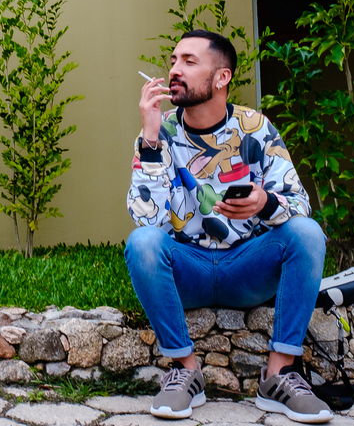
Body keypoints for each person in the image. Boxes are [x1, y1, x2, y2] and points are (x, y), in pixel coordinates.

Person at [125, 29, 332, 423]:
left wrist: (264, 203)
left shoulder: (255, 128)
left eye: (189, 61)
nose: (174, 70)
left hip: (248, 267)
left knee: (306, 233)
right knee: (143, 243)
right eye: (172, 61)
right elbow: (146, 220)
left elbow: (299, 205)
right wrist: (150, 135)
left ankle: (279, 374)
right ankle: (185, 370)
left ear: (221, 78)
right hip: (188, 268)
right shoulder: (160, 133)